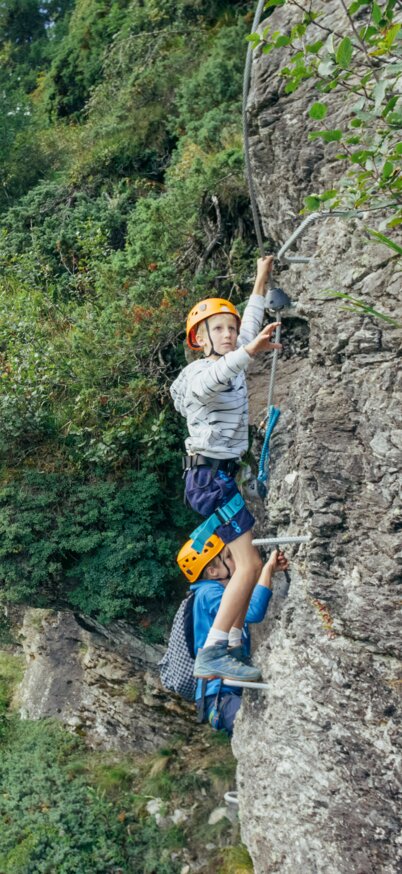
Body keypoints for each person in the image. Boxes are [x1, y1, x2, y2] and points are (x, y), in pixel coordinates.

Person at [170, 256, 281, 683]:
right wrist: (247, 352)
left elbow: (248, 331)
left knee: (243, 564)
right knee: (248, 566)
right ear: (200, 339)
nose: (230, 334)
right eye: (219, 329)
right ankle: (215, 649)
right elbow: (215, 377)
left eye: (231, 328)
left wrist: (260, 278)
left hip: (217, 477)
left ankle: (231, 641)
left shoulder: (233, 355)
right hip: (208, 478)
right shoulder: (196, 374)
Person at [177, 535, 289, 735]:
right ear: (213, 571)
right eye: (228, 557)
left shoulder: (213, 591)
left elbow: (245, 600)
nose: (235, 559)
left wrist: (265, 574)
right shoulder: (208, 593)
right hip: (221, 695)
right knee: (266, 734)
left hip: (226, 692)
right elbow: (253, 612)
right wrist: (267, 570)